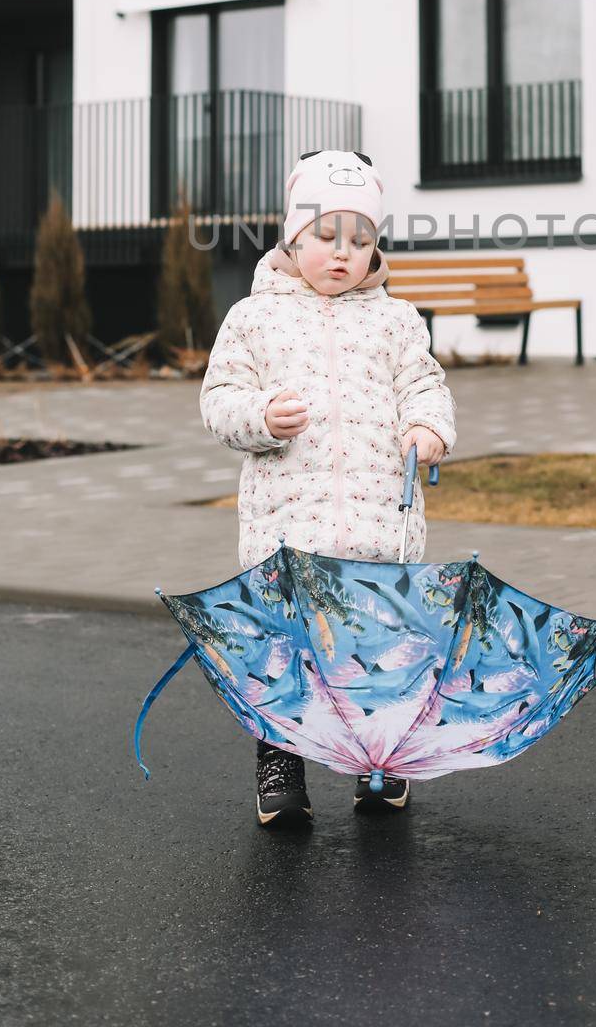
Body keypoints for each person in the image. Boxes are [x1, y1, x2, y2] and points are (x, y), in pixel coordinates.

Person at [199, 149, 457, 827]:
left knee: (376, 647)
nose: (342, 255)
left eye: (361, 240)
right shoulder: (253, 318)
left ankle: (379, 760)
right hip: (288, 528)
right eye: (325, 237)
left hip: (380, 522)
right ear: (292, 238)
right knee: (286, 649)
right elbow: (220, 397)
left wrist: (428, 427)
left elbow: (423, 384)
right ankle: (281, 760)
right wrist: (258, 416)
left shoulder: (396, 320)